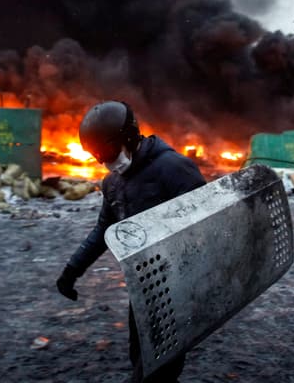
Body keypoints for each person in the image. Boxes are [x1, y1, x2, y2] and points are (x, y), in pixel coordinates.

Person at [55, 100, 206, 383]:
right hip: (143, 286)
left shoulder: (174, 169)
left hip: (178, 287)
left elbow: (207, 227)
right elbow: (103, 231)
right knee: (140, 353)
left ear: (129, 136)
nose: (103, 161)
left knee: (160, 365)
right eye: (95, 155)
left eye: (106, 151)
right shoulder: (113, 182)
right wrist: (71, 271)